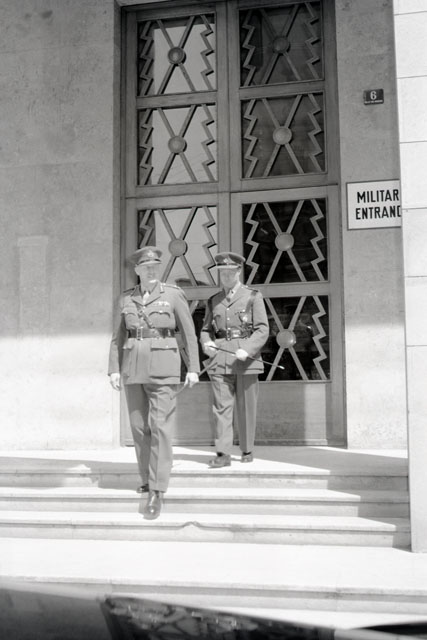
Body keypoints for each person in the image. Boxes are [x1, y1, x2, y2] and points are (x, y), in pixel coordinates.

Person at [108, 246, 200, 519]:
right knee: (139, 428)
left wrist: (193, 368)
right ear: (136, 270)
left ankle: (157, 490)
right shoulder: (126, 298)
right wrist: (114, 369)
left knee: (160, 427)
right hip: (133, 369)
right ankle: (146, 478)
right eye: (145, 267)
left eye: (154, 266)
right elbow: (117, 337)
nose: (151, 270)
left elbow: (189, 333)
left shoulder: (172, 294)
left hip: (164, 368)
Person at [200, 251, 269, 468]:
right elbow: (206, 330)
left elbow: (262, 329)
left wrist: (247, 349)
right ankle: (223, 454)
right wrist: (207, 343)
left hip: (246, 360)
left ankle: (247, 449)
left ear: (239, 271)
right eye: (222, 273)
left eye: (230, 272)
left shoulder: (253, 296)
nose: (226, 276)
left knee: (246, 407)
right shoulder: (214, 300)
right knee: (221, 408)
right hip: (220, 358)